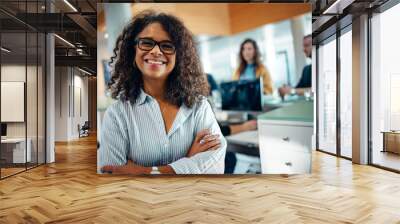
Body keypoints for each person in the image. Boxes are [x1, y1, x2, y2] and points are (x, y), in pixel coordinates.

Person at [99, 10, 226, 175]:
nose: (156, 51)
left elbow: (214, 167)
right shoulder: (118, 114)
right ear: (133, 50)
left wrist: (147, 172)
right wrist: (188, 161)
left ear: (179, 55)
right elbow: (112, 175)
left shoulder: (199, 106)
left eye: (167, 45)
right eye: (146, 43)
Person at [206, 74, 257, 173]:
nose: (208, 86)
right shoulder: (202, 103)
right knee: (230, 158)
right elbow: (219, 131)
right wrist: (244, 127)